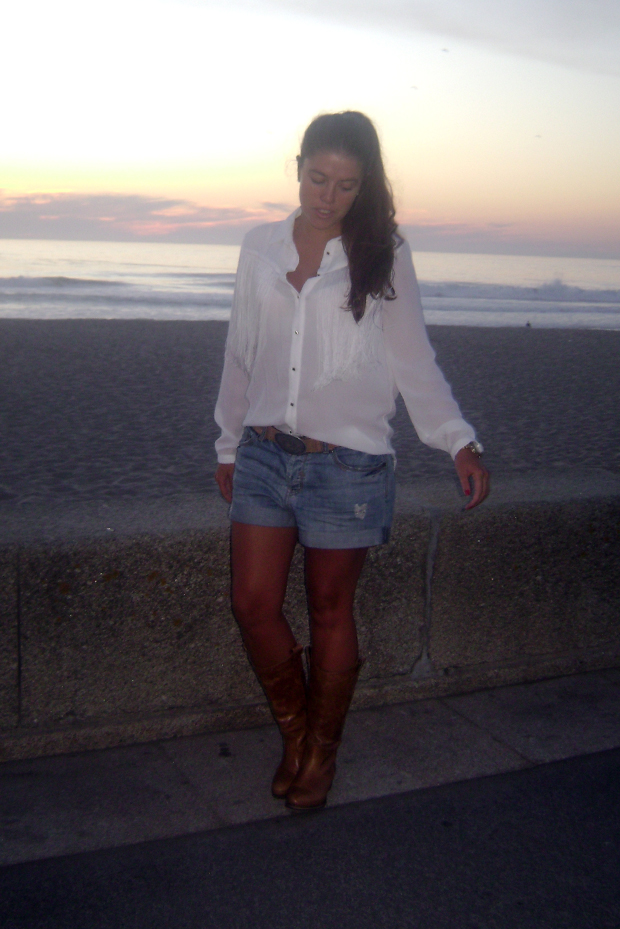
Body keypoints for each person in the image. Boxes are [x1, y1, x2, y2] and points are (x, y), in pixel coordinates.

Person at [214, 111, 490, 811]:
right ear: (298, 167)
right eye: (317, 178)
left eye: (345, 185)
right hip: (263, 453)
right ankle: (298, 734)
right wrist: (227, 442)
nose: (327, 196)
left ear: (364, 186)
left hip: (348, 465)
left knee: (331, 608)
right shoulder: (259, 247)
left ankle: (320, 753)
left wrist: (457, 438)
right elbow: (241, 351)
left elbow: (412, 356)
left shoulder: (383, 252)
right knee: (252, 603)